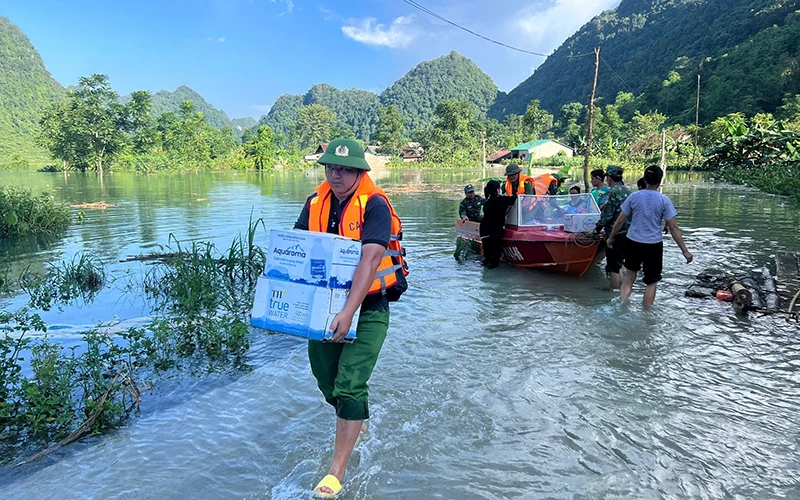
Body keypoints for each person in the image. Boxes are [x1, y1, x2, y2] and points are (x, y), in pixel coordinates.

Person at [293, 138, 408, 498]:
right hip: (324, 307)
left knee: (349, 385)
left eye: (344, 169)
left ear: (361, 171)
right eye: (330, 167)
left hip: (369, 308)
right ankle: (356, 419)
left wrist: (348, 311)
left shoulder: (375, 206)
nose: (336, 174)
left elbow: (371, 258)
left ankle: (336, 471)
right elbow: (296, 249)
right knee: (327, 383)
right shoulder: (315, 202)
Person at [607, 165, 693, 306]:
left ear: (645, 180)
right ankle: (647, 315)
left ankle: (622, 306)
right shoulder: (664, 200)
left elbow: (620, 220)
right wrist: (685, 251)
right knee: (651, 282)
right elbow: (674, 227)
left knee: (629, 277)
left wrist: (611, 237)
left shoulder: (634, 197)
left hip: (633, 241)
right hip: (653, 244)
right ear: (660, 181)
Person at [595, 166, 631, 290]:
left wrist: (597, 229)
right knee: (618, 264)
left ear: (609, 179)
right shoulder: (627, 191)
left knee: (612, 267)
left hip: (615, 233)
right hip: (628, 233)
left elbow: (608, 215)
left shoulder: (613, 192)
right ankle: (620, 291)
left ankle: (612, 292)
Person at [479, 180, 517, 269]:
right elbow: (514, 198)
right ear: (497, 190)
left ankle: (486, 278)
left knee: (487, 259)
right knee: (495, 261)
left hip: (484, 232)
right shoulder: (501, 200)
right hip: (494, 233)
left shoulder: (487, 202)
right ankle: (492, 281)